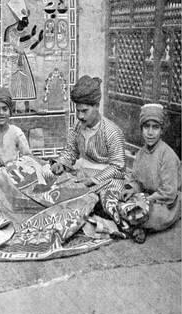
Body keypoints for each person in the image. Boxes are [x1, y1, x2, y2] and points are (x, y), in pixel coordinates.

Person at [51, 75, 126, 220]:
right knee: (57, 193)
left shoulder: (112, 131)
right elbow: (70, 151)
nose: (79, 115)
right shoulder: (77, 127)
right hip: (84, 176)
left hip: (108, 180)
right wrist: (61, 163)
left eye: (84, 111)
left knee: (109, 205)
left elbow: (118, 167)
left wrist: (93, 180)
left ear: (97, 106)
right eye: (78, 110)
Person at [119, 103, 181, 243]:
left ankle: (134, 228)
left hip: (164, 204)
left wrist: (147, 200)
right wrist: (131, 189)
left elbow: (169, 193)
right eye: (146, 127)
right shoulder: (141, 154)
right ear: (141, 129)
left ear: (162, 130)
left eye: (155, 127)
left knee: (146, 215)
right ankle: (134, 226)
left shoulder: (167, 155)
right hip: (147, 198)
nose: (150, 132)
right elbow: (137, 181)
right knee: (119, 199)